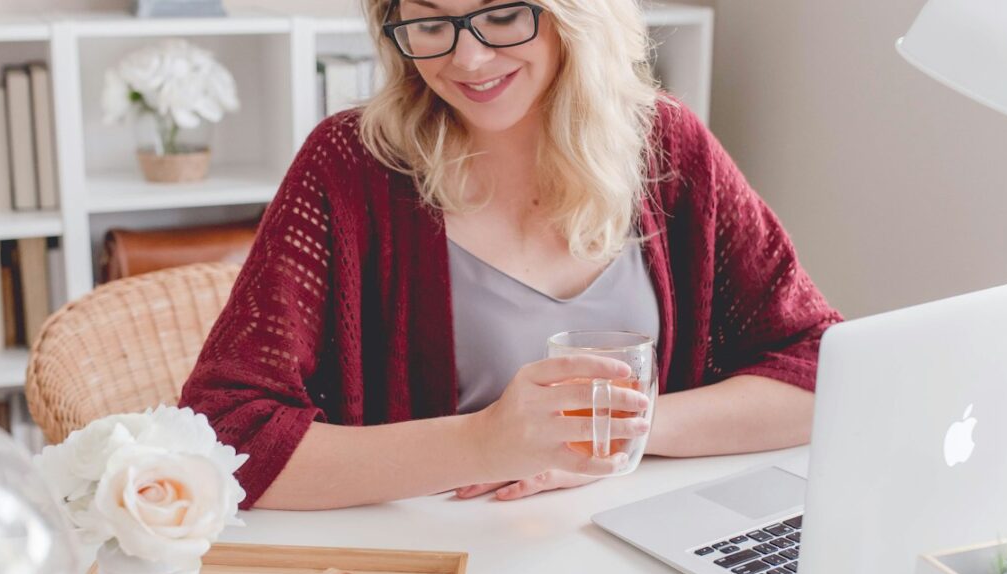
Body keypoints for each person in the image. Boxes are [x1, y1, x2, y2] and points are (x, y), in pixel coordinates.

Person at [179, 0, 842, 510]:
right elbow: (224, 431)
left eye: (502, 15)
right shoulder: (348, 167)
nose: (467, 59)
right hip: (436, 568)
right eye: (432, 24)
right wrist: (482, 443)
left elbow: (826, 369)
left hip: (627, 543)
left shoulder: (669, 148)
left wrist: (609, 432)